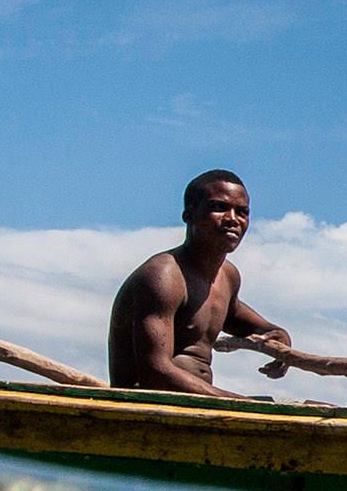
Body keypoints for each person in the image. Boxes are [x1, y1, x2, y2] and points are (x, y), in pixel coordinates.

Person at [108, 169, 292, 396]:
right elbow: (154, 372)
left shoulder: (227, 276)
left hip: (196, 406)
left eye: (242, 212)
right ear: (189, 214)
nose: (233, 219)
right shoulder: (164, 276)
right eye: (219, 208)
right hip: (149, 408)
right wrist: (239, 402)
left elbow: (253, 326)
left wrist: (280, 338)